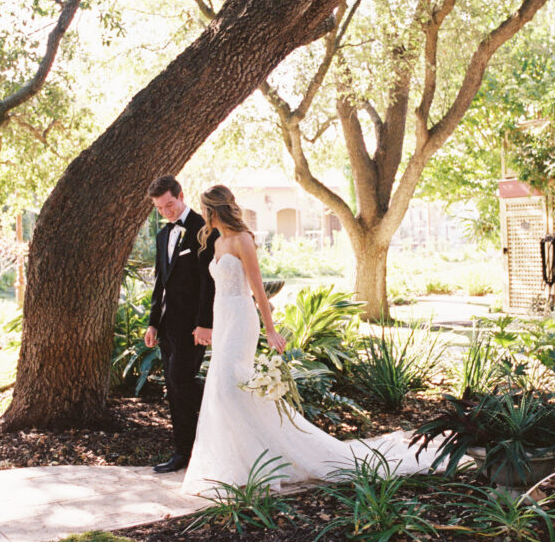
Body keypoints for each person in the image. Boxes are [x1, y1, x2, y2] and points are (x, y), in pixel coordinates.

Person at [181, 185, 429, 496]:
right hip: (224, 318)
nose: (202, 215)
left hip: (242, 318)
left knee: (232, 387)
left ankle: (268, 460)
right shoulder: (217, 242)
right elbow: (217, 291)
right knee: (223, 390)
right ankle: (238, 464)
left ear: (213, 210)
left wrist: (271, 329)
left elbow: (258, 288)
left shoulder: (243, 239)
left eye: (204, 209)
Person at [145, 175, 218, 473]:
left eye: (170, 205)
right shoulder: (163, 236)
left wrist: (205, 323)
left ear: (181, 195)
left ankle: (228, 412)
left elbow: (208, 282)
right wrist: (152, 324)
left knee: (180, 380)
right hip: (167, 327)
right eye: (160, 208)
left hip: (193, 327)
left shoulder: (205, 229)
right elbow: (160, 282)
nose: (166, 212)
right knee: (174, 391)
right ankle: (183, 453)